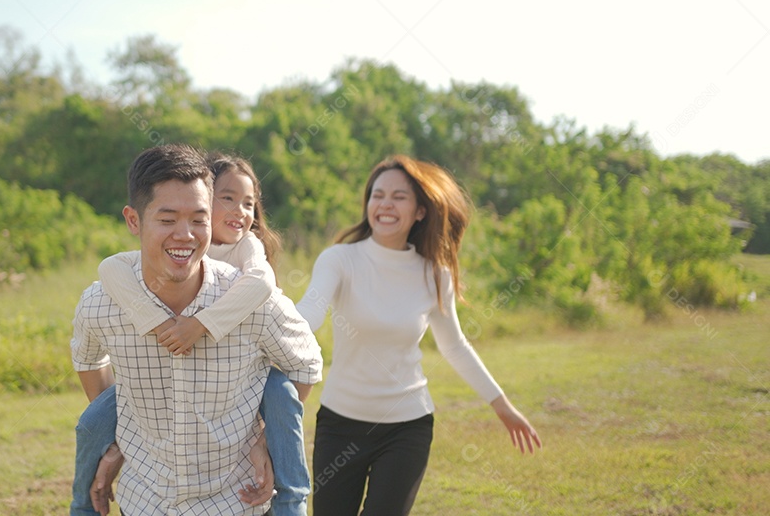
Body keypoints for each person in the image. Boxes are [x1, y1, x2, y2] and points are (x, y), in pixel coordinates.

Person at [71, 144, 323, 515]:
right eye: (168, 219)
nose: (185, 235)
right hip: (145, 502)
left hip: (235, 504)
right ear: (133, 221)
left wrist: (266, 441)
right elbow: (88, 358)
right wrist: (120, 437)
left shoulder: (254, 302)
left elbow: (306, 364)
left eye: (198, 219)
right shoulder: (101, 304)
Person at [297, 155, 542, 515]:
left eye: (399, 197)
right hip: (340, 424)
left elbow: (455, 346)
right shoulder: (340, 260)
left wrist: (501, 406)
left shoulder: (434, 273)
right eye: (377, 195)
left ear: (420, 211)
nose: (385, 204)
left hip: (407, 426)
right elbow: (309, 314)